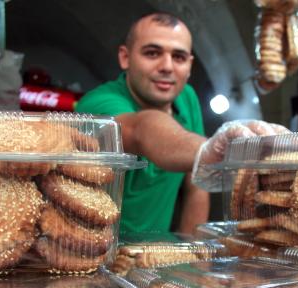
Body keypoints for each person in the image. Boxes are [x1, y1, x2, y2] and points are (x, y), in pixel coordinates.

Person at [77, 12, 286, 233]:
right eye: (152, 53)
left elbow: (196, 184)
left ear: (189, 65)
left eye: (179, 57)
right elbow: (140, 130)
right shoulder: (97, 103)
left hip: (150, 255)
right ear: (125, 57)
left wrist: (191, 253)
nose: (167, 66)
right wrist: (208, 149)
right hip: (93, 251)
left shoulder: (186, 97)